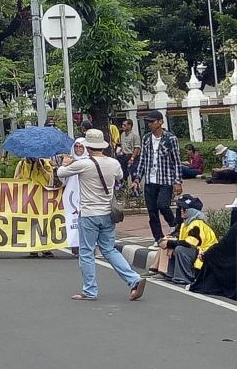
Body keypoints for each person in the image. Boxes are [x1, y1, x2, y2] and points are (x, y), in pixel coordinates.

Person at [57, 129, 145, 302]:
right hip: (107, 213)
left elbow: (61, 173)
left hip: (89, 214)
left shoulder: (84, 164)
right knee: (109, 249)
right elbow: (120, 176)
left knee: (87, 252)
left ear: (88, 146)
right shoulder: (113, 163)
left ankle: (90, 290)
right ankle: (133, 279)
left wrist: (65, 163)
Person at [129, 110, 181, 241]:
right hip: (150, 181)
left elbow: (176, 161)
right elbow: (142, 161)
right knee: (152, 212)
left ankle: (176, 225)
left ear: (160, 122)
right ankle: (158, 238)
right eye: (148, 122)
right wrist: (137, 179)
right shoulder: (146, 138)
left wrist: (178, 181)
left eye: (152, 122)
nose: (149, 124)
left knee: (163, 205)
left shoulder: (170, 139)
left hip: (166, 179)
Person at [153, 194, 217, 285]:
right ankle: (171, 274)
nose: (181, 211)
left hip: (206, 254)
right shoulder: (185, 224)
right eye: (181, 208)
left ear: (192, 211)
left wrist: (169, 244)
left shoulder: (196, 224)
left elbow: (190, 243)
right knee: (175, 246)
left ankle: (185, 277)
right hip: (197, 251)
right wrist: (171, 244)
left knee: (180, 249)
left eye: (184, 209)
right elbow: (181, 240)